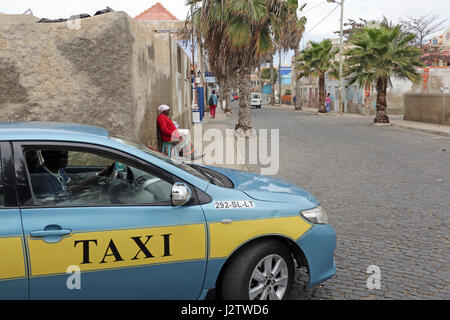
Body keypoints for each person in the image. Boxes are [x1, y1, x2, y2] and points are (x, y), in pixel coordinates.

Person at [30, 150, 113, 201]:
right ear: (52, 158)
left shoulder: (58, 170)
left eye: (67, 156)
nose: (67, 160)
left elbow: (73, 186)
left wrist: (99, 175)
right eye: (63, 157)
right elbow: (51, 205)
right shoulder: (43, 179)